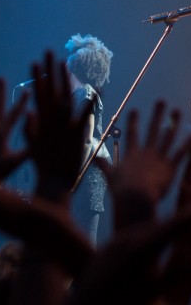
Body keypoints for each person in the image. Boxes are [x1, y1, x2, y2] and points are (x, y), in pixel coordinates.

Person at [65, 34, 113, 247]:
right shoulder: (78, 94)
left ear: (75, 65)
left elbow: (86, 140)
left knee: (85, 237)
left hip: (88, 173)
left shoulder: (85, 93)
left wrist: (74, 177)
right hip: (84, 171)